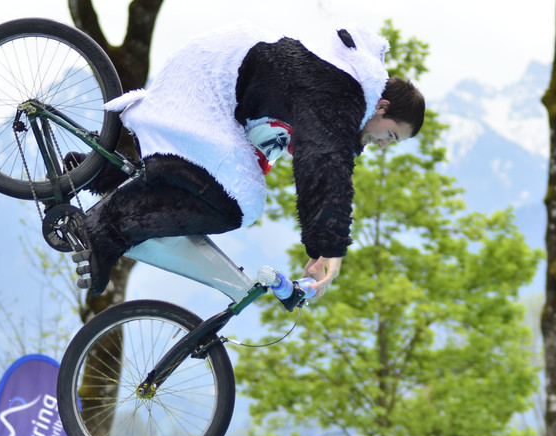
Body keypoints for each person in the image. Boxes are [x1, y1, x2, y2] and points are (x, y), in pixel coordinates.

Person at [73, 23, 425, 299]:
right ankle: (104, 231)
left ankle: (97, 173)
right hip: (202, 90)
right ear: (382, 108)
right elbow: (323, 167)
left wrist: (323, 248)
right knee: (234, 203)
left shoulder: (340, 92)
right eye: (391, 136)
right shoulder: (341, 91)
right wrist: (329, 249)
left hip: (206, 88)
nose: (383, 145)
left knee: (203, 183)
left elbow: (325, 163)